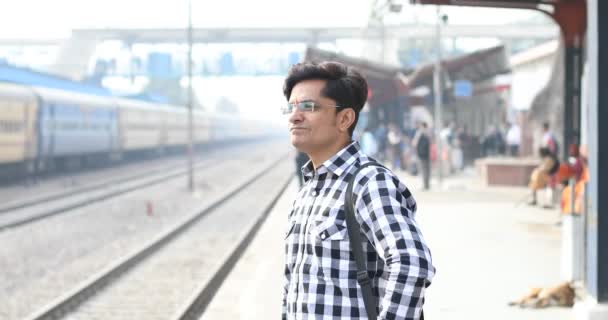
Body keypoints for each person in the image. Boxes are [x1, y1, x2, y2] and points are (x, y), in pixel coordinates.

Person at [282, 61, 434, 319]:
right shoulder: (306, 192)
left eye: (308, 106)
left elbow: (411, 264)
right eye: (290, 107)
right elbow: (294, 285)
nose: (295, 116)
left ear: (344, 118)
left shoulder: (369, 183)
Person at [413, 121, 431, 190]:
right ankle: (427, 185)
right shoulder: (428, 133)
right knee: (427, 170)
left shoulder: (419, 133)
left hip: (421, 154)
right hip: (427, 153)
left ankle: (425, 185)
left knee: (423, 170)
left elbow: (414, 143)